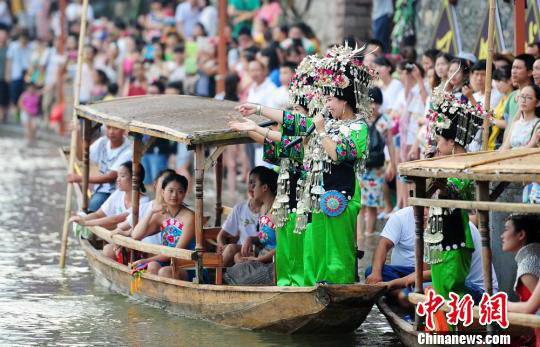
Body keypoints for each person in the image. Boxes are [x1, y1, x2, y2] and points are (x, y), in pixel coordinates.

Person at [234, 45, 372, 286]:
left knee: (337, 249)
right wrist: (256, 112)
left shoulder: (358, 128)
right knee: (314, 247)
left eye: (330, 99)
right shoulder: (325, 125)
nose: (327, 105)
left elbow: (338, 154)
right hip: (316, 197)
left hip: (340, 195)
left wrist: (320, 130)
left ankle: (339, 284)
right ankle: (308, 285)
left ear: (344, 100)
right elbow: (293, 126)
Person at [130, 173, 195, 280]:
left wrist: (146, 260)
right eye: (171, 191)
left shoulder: (190, 217)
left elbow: (176, 251)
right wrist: (151, 212)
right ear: (162, 192)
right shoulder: (160, 215)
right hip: (167, 262)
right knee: (152, 266)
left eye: (180, 191)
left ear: (184, 194)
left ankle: (168, 297)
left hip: (188, 264)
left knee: (164, 271)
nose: (174, 195)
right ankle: (154, 297)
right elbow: (136, 235)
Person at [357, 87, 396, 253]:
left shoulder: (383, 120)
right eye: (371, 102)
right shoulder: (360, 120)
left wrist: (393, 164)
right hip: (361, 166)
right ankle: (360, 235)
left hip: (377, 168)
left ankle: (368, 233)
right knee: (360, 203)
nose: (373, 106)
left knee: (372, 203)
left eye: (376, 103)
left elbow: (390, 143)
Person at [67, 126, 132, 212]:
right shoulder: (102, 141)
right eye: (108, 128)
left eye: (116, 128)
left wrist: (80, 178)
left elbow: (110, 177)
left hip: (119, 191)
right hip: (100, 189)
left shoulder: (128, 150)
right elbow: (82, 157)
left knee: (94, 207)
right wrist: (77, 134)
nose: (111, 132)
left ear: (124, 130)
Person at [70, 161, 149, 230]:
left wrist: (85, 223)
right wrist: (82, 218)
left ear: (134, 179)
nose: (118, 179)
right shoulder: (118, 193)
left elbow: (115, 220)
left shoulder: (144, 202)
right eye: (118, 176)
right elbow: (99, 214)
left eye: (122, 176)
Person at [502, 214, 540, 346]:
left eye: (506, 229)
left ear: (521, 235)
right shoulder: (532, 257)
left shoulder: (529, 264)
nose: (502, 236)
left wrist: (501, 305)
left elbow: (535, 307)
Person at [216, 167, 262, 267]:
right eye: (250, 182)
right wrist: (223, 247)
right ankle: (218, 275)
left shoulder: (268, 211)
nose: (251, 187)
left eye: (255, 184)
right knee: (233, 251)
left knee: (235, 252)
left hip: (260, 251)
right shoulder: (240, 208)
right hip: (240, 250)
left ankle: (219, 275)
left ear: (264, 188)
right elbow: (221, 236)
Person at [502, 54, 535, 135]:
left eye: (518, 68)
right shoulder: (512, 95)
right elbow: (507, 124)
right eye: (513, 67)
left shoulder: (535, 95)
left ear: (530, 72)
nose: (513, 71)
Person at [487, 66, 513, 150]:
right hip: (493, 143)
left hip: (502, 143)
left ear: (510, 81)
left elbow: (508, 123)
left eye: (499, 81)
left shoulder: (513, 99)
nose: (496, 84)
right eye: (495, 81)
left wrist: (491, 120)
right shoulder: (502, 98)